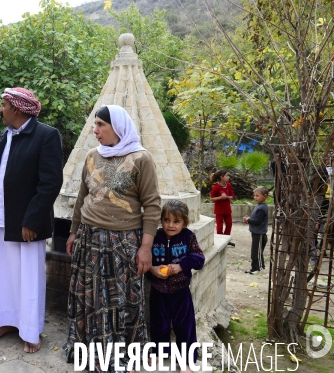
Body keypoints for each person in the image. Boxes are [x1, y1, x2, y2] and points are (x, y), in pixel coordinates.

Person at [64, 105, 161, 369]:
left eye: (100, 125)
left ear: (117, 127)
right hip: (89, 239)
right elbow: (82, 197)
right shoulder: (92, 156)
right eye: (94, 125)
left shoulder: (141, 159)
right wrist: (74, 232)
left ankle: (118, 353)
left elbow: (152, 205)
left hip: (122, 243)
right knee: (89, 297)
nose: (95, 131)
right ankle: (87, 349)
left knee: (120, 299)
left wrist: (146, 248)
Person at [0, 87, 63, 354]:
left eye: (3, 105)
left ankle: (29, 330)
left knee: (28, 276)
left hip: (27, 223)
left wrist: (32, 220)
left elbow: (50, 182)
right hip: (2, 218)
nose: (0, 109)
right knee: (3, 274)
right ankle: (4, 321)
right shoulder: (5, 136)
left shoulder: (46, 135)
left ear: (16, 108)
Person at [147, 200, 205, 373]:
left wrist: (181, 266)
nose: (170, 225)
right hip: (158, 290)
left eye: (176, 221)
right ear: (161, 220)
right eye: (166, 220)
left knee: (185, 326)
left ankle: (187, 361)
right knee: (159, 324)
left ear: (184, 222)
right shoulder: (155, 237)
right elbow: (143, 256)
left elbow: (199, 259)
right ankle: (159, 352)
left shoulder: (188, 237)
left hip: (181, 292)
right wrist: (152, 269)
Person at [243, 186, 269, 274]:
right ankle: (254, 268)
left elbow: (257, 221)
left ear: (264, 196)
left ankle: (257, 268)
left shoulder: (262, 208)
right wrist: (249, 219)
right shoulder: (259, 206)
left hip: (259, 234)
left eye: (257, 196)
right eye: (254, 195)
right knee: (254, 251)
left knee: (257, 252)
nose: (255, 197)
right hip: (255, 233)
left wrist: (248, 220)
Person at [210, 169, 235, 245]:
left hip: (227, 209)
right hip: (219, 210)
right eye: (227, 175)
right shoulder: (216, 187)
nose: (228, 177)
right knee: (219, 225)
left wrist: (226, 197)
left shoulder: (229, 185)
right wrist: (220, 198)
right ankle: (220, 239)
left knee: (229, 224)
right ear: (221, 177)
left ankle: (226, 239)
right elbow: (212, 198)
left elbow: (232, 196)